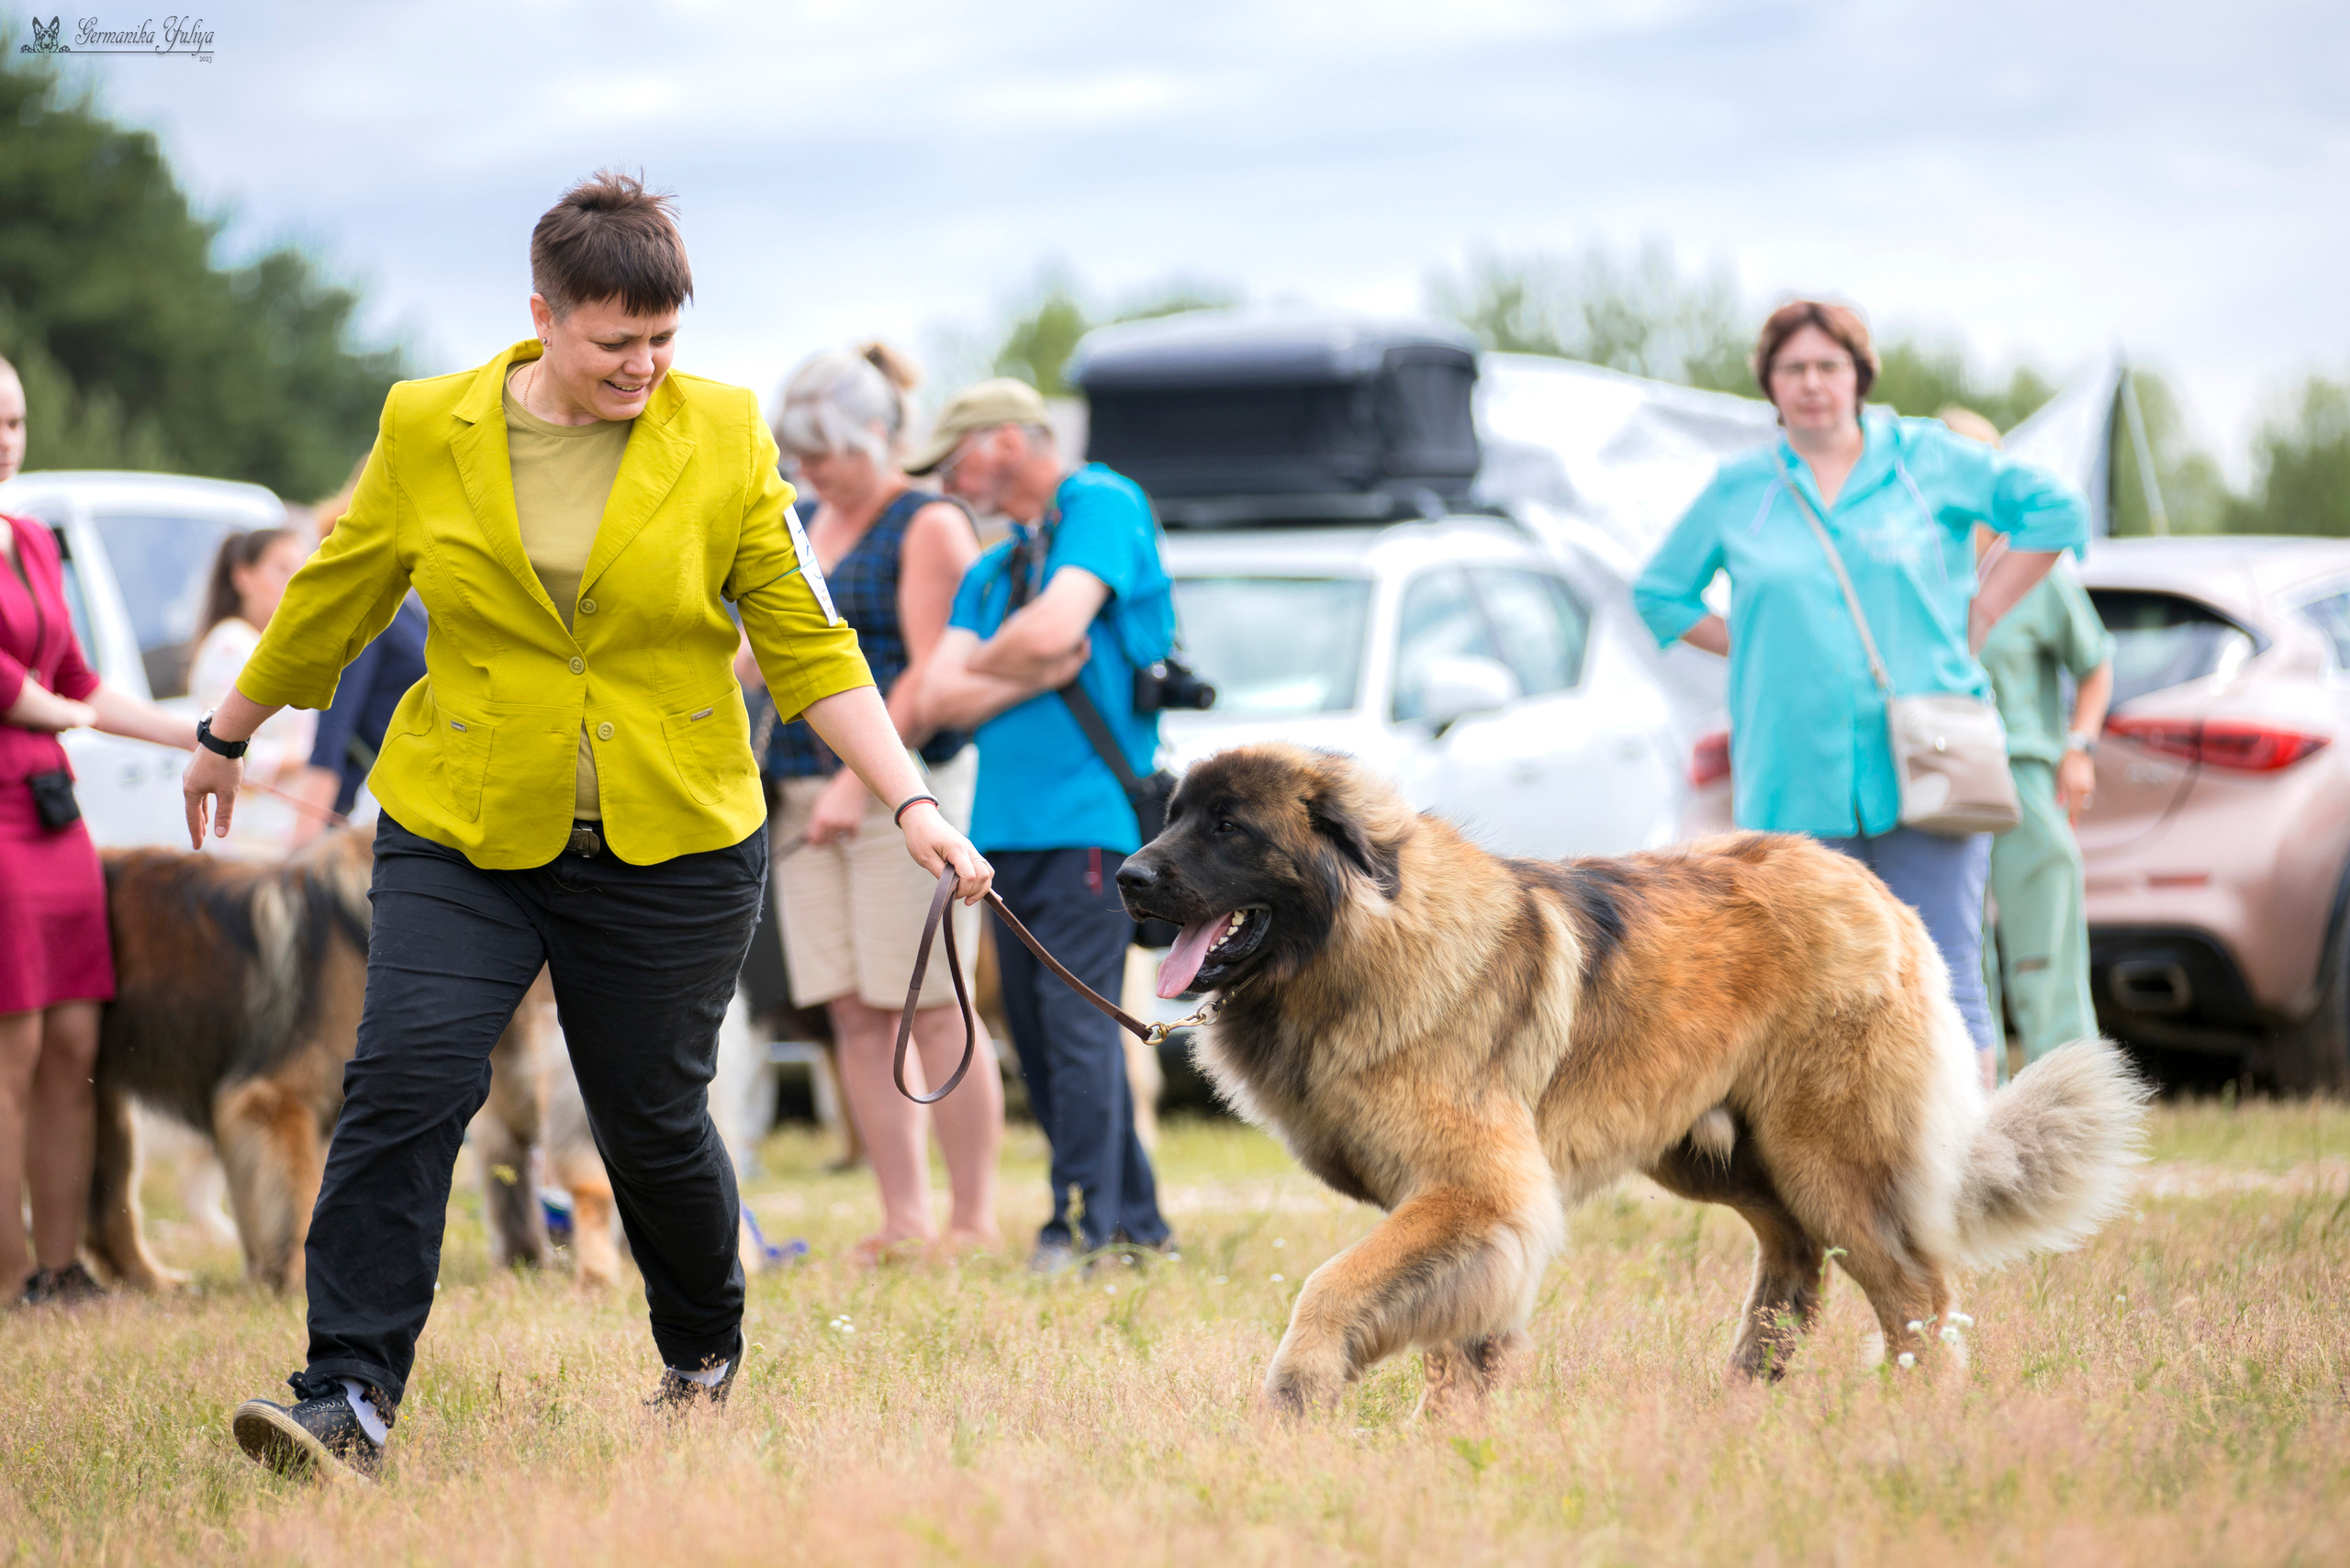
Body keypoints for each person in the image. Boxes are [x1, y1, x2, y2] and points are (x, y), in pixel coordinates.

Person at [186, 172, 992, 1484]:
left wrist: (912, 800)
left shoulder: (723, 433)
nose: (644, 366)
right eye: (617, 341)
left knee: (648, 1116)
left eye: (663, 338)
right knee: (404, 1080)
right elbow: (337, 594)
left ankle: (702, 1348)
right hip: (463, 824)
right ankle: (346, 1396)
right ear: (543, 318)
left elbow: (808, 642)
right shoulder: (429, 424)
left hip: (673, 837)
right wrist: (227, 732)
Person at [1633, 300, 2088, 1091]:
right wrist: (1757, 645)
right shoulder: (1741, 490)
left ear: (1859, 375)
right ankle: (1851, 1164)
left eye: (1828, 366)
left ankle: (1967, 1154)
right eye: (1793, 368)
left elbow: (2057, 511)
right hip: (1792, 771)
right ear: (1770, 385)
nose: (1812, 383)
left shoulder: (1928, 459)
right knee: (1815, 994)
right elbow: (1660, 593)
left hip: (1932, 759)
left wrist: (1983, 609)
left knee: (1945, 975)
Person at [913, 378, 1175, 1273]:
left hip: (1090, 825)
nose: (949, 483)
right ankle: (1137, 1222)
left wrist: (1016, 656)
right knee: (1039, 1032)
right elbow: (935, 697)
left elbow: (1058, 627)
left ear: (1007, 440)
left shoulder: (1100, 500)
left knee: (1075, 1030)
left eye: (955, 460)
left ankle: (1080, 1224)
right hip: (1003, 834)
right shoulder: (994, 569)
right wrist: (1027, 666)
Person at [749, 342, 1002, 1258]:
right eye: (799, 455)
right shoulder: (804, 517)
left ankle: (971, 1219)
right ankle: (902, 1215)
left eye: (822, 453)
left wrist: (856, 785)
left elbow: (929, 675)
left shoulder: (926, 523)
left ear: (872, 435)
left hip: (906, 792)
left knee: (932, 1004)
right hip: (799, 795)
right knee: (853, 1009)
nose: (808, 470)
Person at [0, 353, 196, 1305]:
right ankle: (8, 1272)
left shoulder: (33, 540)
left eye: (13, 422)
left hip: (52, 812)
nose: (4, 441)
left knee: (75, 1046)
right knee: (12, 1052)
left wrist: (192, 733)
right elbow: (19, 691)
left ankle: (61, 1265)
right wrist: (61, 712)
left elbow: (75, 677)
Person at [1941, 408, 2115, 1074]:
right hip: (1939, 779)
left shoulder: (2034, 571)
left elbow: (2096, 663)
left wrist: (2081, 748)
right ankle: (1974, 1108)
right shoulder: (1919, 572)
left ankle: (2070, 1103)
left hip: (2023, 777)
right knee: (1958, 957)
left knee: (2047, 955)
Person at [186, 525, 318, 854]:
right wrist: (309, 755)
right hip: (245, 837)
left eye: (303, 569)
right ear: (243, 576)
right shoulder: (231, 644)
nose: (294, 581)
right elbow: (220, 745)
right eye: (283, 569)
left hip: (279, 831)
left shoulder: (270, 646)